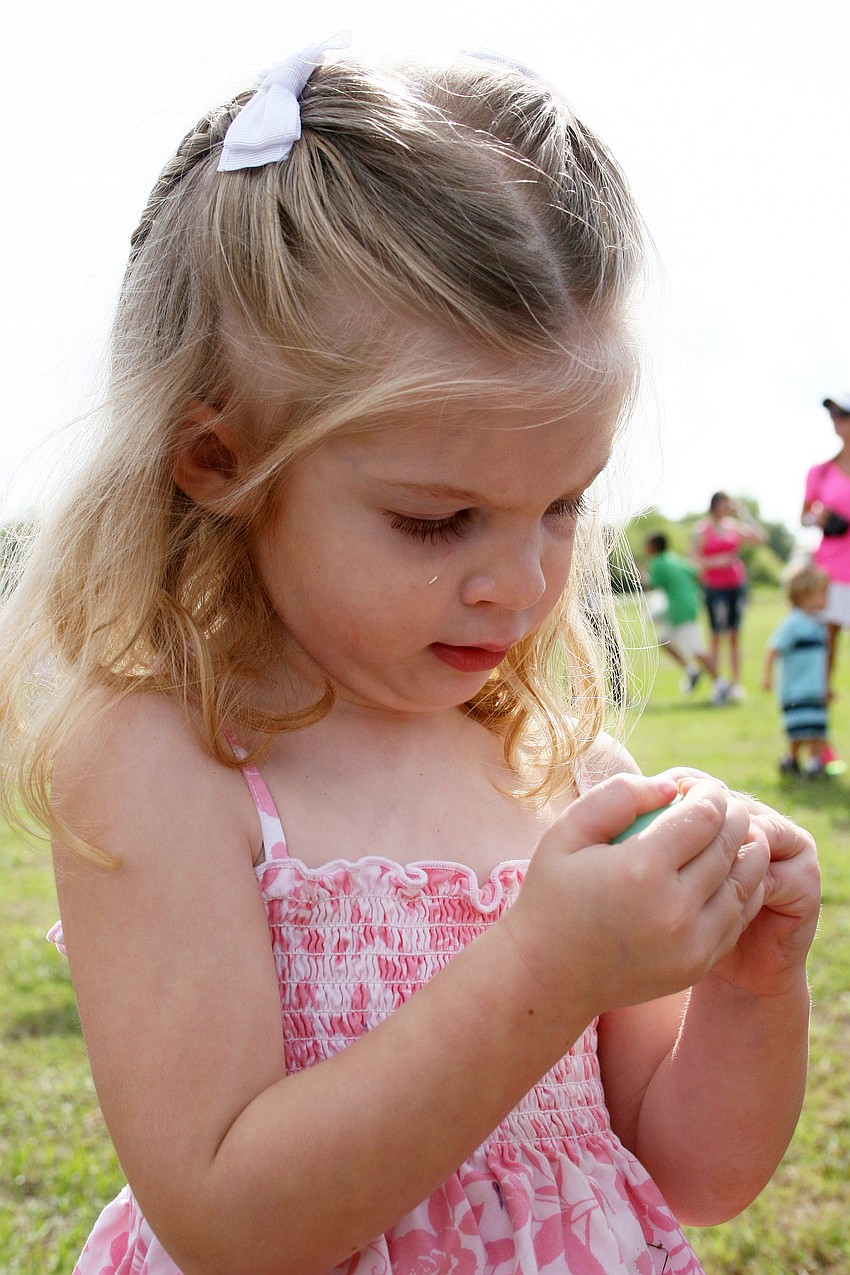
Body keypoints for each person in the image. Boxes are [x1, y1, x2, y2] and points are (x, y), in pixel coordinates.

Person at [0, 39, 819, 1275]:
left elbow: (690, 1174)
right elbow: (231, 1222)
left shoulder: (563, 769)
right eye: (435, 520)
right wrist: (541, 964)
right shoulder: (169, 763)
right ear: (219, 460)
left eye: (561, 506)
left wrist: (751, 987)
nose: (524, 581)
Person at [763, 563, 843, 777]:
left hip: (815, 689)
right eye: (823, 594)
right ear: (806, 595)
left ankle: (815, 764)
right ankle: (790, 760)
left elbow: (823, 660)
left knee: (818, 727)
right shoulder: (793, 624)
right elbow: (773, 649)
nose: (828, 599)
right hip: (795, 690)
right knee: (798, 730)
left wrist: (827, 686)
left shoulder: (820, 625)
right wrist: (767, 676)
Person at [691, 492, 766, 705]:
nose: (726, 508)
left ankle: (735, 684)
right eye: (723, 504)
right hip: (714, 588)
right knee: (716, 636)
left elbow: (759, 538)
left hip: (736, 586)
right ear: (714, 505)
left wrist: (743, 514)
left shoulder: (733, 526)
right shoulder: (702, 528)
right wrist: (717, 561)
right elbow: (693, 557)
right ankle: (718, 683)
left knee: (735, 635)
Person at [802, 393, 850, 696]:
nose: (836, 422)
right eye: (832, 416)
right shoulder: (820, 471)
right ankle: (819, 733)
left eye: (842, 415)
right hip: (830, 571)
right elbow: (804, 517)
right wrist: (819, 519)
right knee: (824, 653)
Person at [643, 532, 719, 697]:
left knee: (696, 649)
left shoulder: (658, 563)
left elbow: (652, 585)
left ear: (654, 547)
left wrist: (640, 576)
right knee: (664, 642)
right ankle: (692, 671)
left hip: (679, 609)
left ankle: (720, 684)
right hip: (686, 605)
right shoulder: (675, 559)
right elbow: (698, 573)